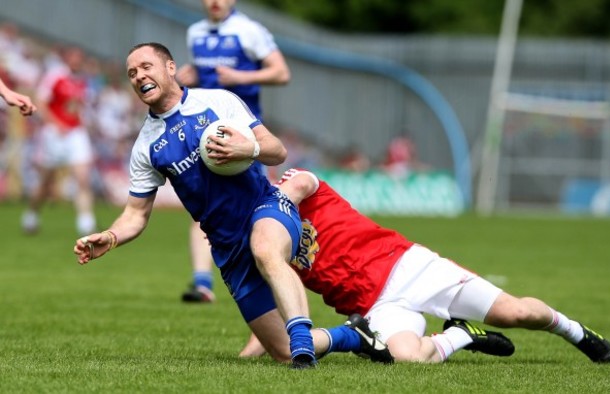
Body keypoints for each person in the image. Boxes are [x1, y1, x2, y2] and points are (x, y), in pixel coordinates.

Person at [72, 42, 392, 369]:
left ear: (170, 68)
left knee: (266, 250)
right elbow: (136, 215)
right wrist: (110, 237)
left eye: (145, 67)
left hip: (265, 208)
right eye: (132, 73)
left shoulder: (217, 101)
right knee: (280, 351)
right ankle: (354, 336)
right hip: (227, 248)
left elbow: (276, 150)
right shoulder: (146, 146)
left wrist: (247, 148)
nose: (139, 76)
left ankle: (303, 350)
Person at [238, 168, 610, 365]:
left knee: (518, 312)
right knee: (407, 357)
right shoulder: (263, 242)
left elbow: (301, 185)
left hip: (407, 267)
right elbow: (276, 306)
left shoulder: (293, 183)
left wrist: (276, 202)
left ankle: (577, 333)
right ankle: (464, 335)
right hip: (376, 307)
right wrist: (254, 354)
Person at [175, 0, 292, 303]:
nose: (215, 2)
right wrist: (193, 78)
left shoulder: (249, 31)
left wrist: (242, 77)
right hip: (207, 132)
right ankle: (202, 284)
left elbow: (281, 73)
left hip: (245, 132)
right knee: (204, 208)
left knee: (255, 208)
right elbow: (207, 77)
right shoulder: (196, 33)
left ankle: (276, 272)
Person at [21, 45, 97, 236]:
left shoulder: (83, 80)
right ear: (67, 58)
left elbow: (79, 106)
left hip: (76, 132)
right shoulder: (56, 76)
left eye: (80, 57)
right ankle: (31, 215)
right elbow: (41, 101)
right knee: (46, 182)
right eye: (74, 57)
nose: (77, 61)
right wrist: (55, 124)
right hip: (55, 133)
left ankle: (86, 223)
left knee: (82, 177)